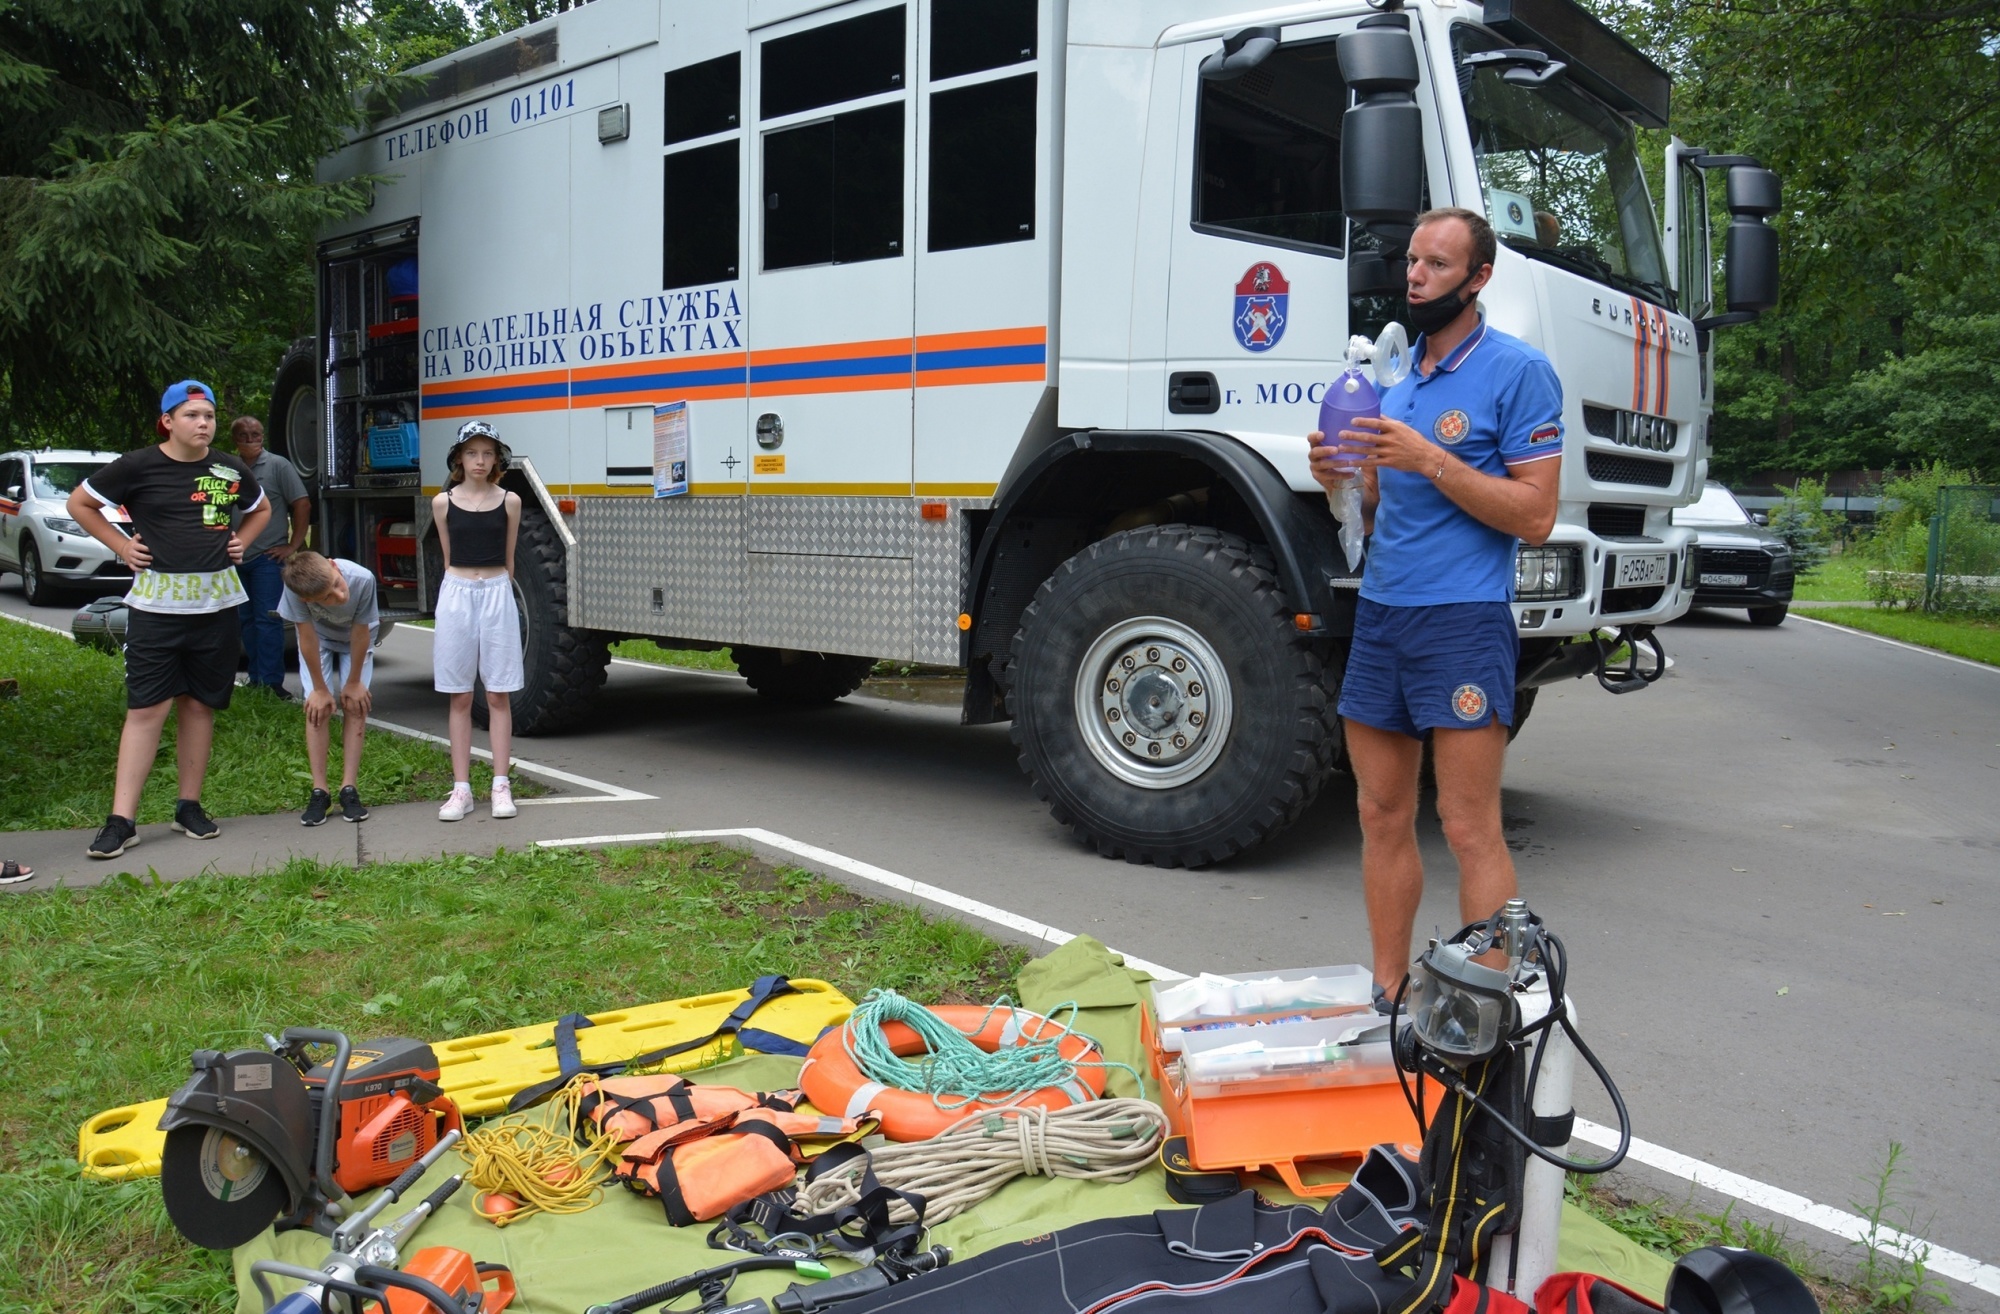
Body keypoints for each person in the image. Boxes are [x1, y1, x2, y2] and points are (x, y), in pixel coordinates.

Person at [1307, 207, 1563, 1007]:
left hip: (1463, 619)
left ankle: (1488, 1009)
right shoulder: (1398, 380)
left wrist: (1431, 458)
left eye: (1436, 265)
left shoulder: (1519, 372)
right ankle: (1388, 992)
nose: (1414, 276)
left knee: (1465, 825)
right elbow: (1382, 515)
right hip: (1384, 615)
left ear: (1478, 278)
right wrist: (1342, 485)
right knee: (1380, 813)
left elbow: (1535, 516)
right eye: (1412, 262)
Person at [68, 379, 269, 858]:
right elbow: (80, 503)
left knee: (199, 706)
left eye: (210, 416)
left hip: (217, 607)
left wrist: (244, 540)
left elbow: (260, 510)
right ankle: (122, 821)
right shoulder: (138, 465)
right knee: (147, 710)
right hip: (155, 610)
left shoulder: (228, 467)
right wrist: (120, 545)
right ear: (168, 421)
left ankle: (189, 808)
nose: (204, 424)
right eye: (192, 416)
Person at [432, 420, 522, 822]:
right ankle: (462, 788)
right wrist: (463, 587)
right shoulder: (442, 502)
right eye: (472, 453)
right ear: (459, 459)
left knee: (498, 692)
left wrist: (496, 589)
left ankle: (501, 784)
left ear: (497, 459)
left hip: (497, 591)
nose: (480, 461)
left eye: (487, 453)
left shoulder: (511, 501)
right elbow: (448, 558)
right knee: (460, 694)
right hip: (457, 592)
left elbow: (510, 557)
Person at [278, 550, 379, 825]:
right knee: (316, 709)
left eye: (337, 584)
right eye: (327, 597)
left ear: (334, 566)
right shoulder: (294, 590)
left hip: (356, 640)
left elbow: (361, 631)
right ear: (306, 600)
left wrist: (354, 682)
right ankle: (320, 790)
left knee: (356, 705)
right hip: (319, 640)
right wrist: (320, 690)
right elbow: (306, 636)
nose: (340, 596)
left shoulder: (362, 579)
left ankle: (349, 788)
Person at [231, 416, 312, 697]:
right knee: (246, 621)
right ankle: (255, 680)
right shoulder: (229, 469)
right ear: (235, 440)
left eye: (256, 433)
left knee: (267, 620)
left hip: (268, 558)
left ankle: (271, 684)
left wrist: (293, 545)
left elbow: (301, 503)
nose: (252, 438)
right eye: (244, 434)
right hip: (236, 558)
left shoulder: (278, 465)